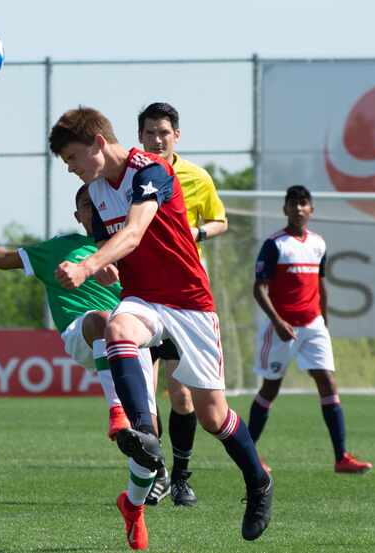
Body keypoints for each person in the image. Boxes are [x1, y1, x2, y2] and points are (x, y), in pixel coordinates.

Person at [50, 106, 272, 550]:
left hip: (190, 303)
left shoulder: (149, 171)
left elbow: (132, 233)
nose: (70, 169)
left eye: (72, 158)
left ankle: (259, 481)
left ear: (97, 142)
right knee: (118, 330)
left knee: (213, 416)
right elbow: (116, 245)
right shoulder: (95, 192)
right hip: (145, 299)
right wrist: (108, 265)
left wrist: (91, 265)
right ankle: (145, 435)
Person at [0, 188, 163, 540]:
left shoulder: (128, 247)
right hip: (83, 332)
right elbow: (6, 259)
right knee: (101, 320)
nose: (95, 211)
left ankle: (133, 506)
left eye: (101, 205)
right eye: (87, 206)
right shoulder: (58, 248)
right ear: (78, 215)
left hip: (131, 344)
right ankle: (116, 410)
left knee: (149, 444)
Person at [137, 102, 228, 508]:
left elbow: (220, 220)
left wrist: (198, 232)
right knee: (142, 393)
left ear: (176, 136)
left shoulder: (196, 177)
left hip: (181, 301)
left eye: (164, 133)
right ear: (139, 136)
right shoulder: (130, 177)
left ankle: (182, 477)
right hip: (139, 297)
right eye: (150, 133)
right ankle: (154, 473)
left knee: (182, 395)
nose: (157, 140)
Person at [248, 185, 373, 475]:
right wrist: (278, 322)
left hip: (313, 325)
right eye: (293, 203)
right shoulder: (274, 244)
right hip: (281, 329)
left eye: (304, 203)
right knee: (270, 388)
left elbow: (320, 285)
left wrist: (324, 323)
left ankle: (341, 457)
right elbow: (259, 289)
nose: (299, 208)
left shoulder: (318, 243)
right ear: (285, 209)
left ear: (311, 210)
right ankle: (248, 453)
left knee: (328, 383)